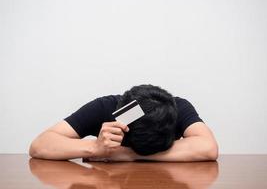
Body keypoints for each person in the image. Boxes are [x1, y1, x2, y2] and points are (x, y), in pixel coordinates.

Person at [29, 84, 218, 161]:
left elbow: (208, 147)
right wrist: (95, 148)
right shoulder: (105, 107)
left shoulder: (177, 107)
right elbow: (39, 146)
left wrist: (125, 154)